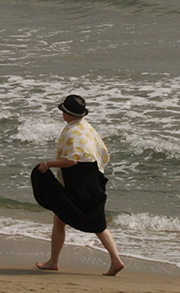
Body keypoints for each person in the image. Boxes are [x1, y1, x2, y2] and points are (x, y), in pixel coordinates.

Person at [30, 94, 125, 276]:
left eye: (63, 111)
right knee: (86, 222)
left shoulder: (70, 131)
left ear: (69, 114)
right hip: (92, 180)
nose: (62, 114)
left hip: (78, 183)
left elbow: (71, 161)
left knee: (77, 222)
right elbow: (102, 153)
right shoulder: (87, 127)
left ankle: (114, 260)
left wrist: (47, 164)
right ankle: (113, 260)